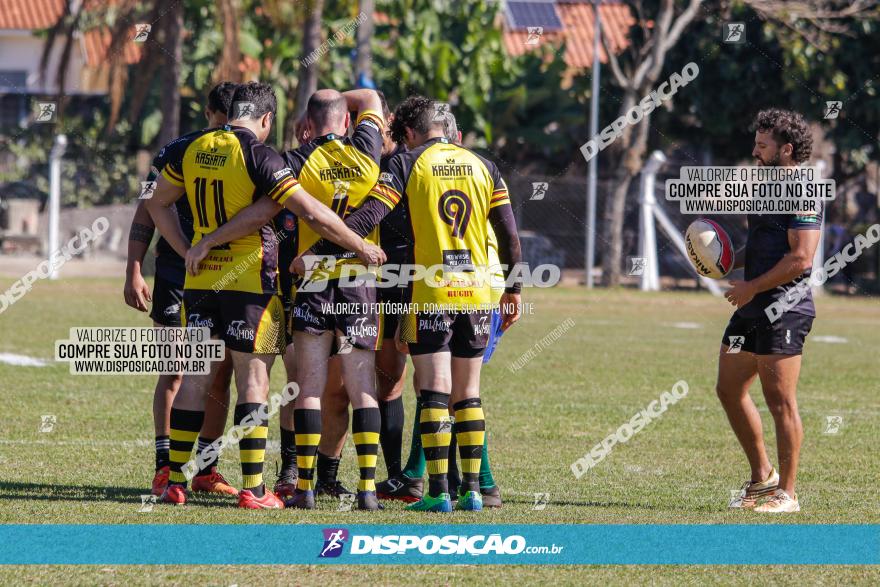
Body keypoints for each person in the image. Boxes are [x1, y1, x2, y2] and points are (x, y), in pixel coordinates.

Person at [145, 82, 384, 509]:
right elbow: (307, 211)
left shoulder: (193, 148)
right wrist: (360, 244)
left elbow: (156, 203)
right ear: (266, 119)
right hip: (249, 282)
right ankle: (254, 489)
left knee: (195, 380)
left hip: (200, 282)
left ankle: (173, 483)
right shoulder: (259, 154)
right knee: (253, 381)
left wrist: (191, 248)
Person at [296, 96, 522, 512]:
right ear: (449, 128)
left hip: (429, 294)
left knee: (433, 393)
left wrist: (319, 252)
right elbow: (509, 235)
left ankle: (438, 492)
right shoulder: (485, 166)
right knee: (468, 394)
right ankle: (471, 491)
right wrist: (514, 290)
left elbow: (366, 219)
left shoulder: (406, 164)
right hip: (477, 293)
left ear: (412, 133)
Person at [124, 82, 237, 498]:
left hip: (227, 276)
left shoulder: (249, 151)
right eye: (218, 123)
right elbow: (147, 208)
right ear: (207, 114)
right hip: (175, 276)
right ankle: (164, 467)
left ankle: (206, 468)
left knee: (218, 373)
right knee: (175, 370)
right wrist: (134, 269)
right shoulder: (177, 151)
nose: (223, 132)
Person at [719, 108, 821, 513]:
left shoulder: (803, 190)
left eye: (763, 145)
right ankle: (763, 478)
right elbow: (762, 245)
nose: (755, 151)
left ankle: (788, 495)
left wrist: (750, 287)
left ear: (787, 149)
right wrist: (727, 260)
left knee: (780, 402)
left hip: (785, 309)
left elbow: (801, 259)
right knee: (728, 388)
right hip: (751, 307)